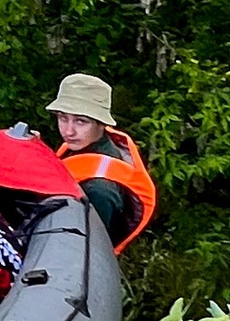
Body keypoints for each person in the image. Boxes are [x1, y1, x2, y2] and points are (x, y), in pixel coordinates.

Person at [46, 71, 157, 252]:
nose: (68, 131)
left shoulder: (100, 190)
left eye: (81, 121)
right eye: (62, 118)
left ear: (101, 123)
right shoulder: (82, 145)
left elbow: (84, 251)